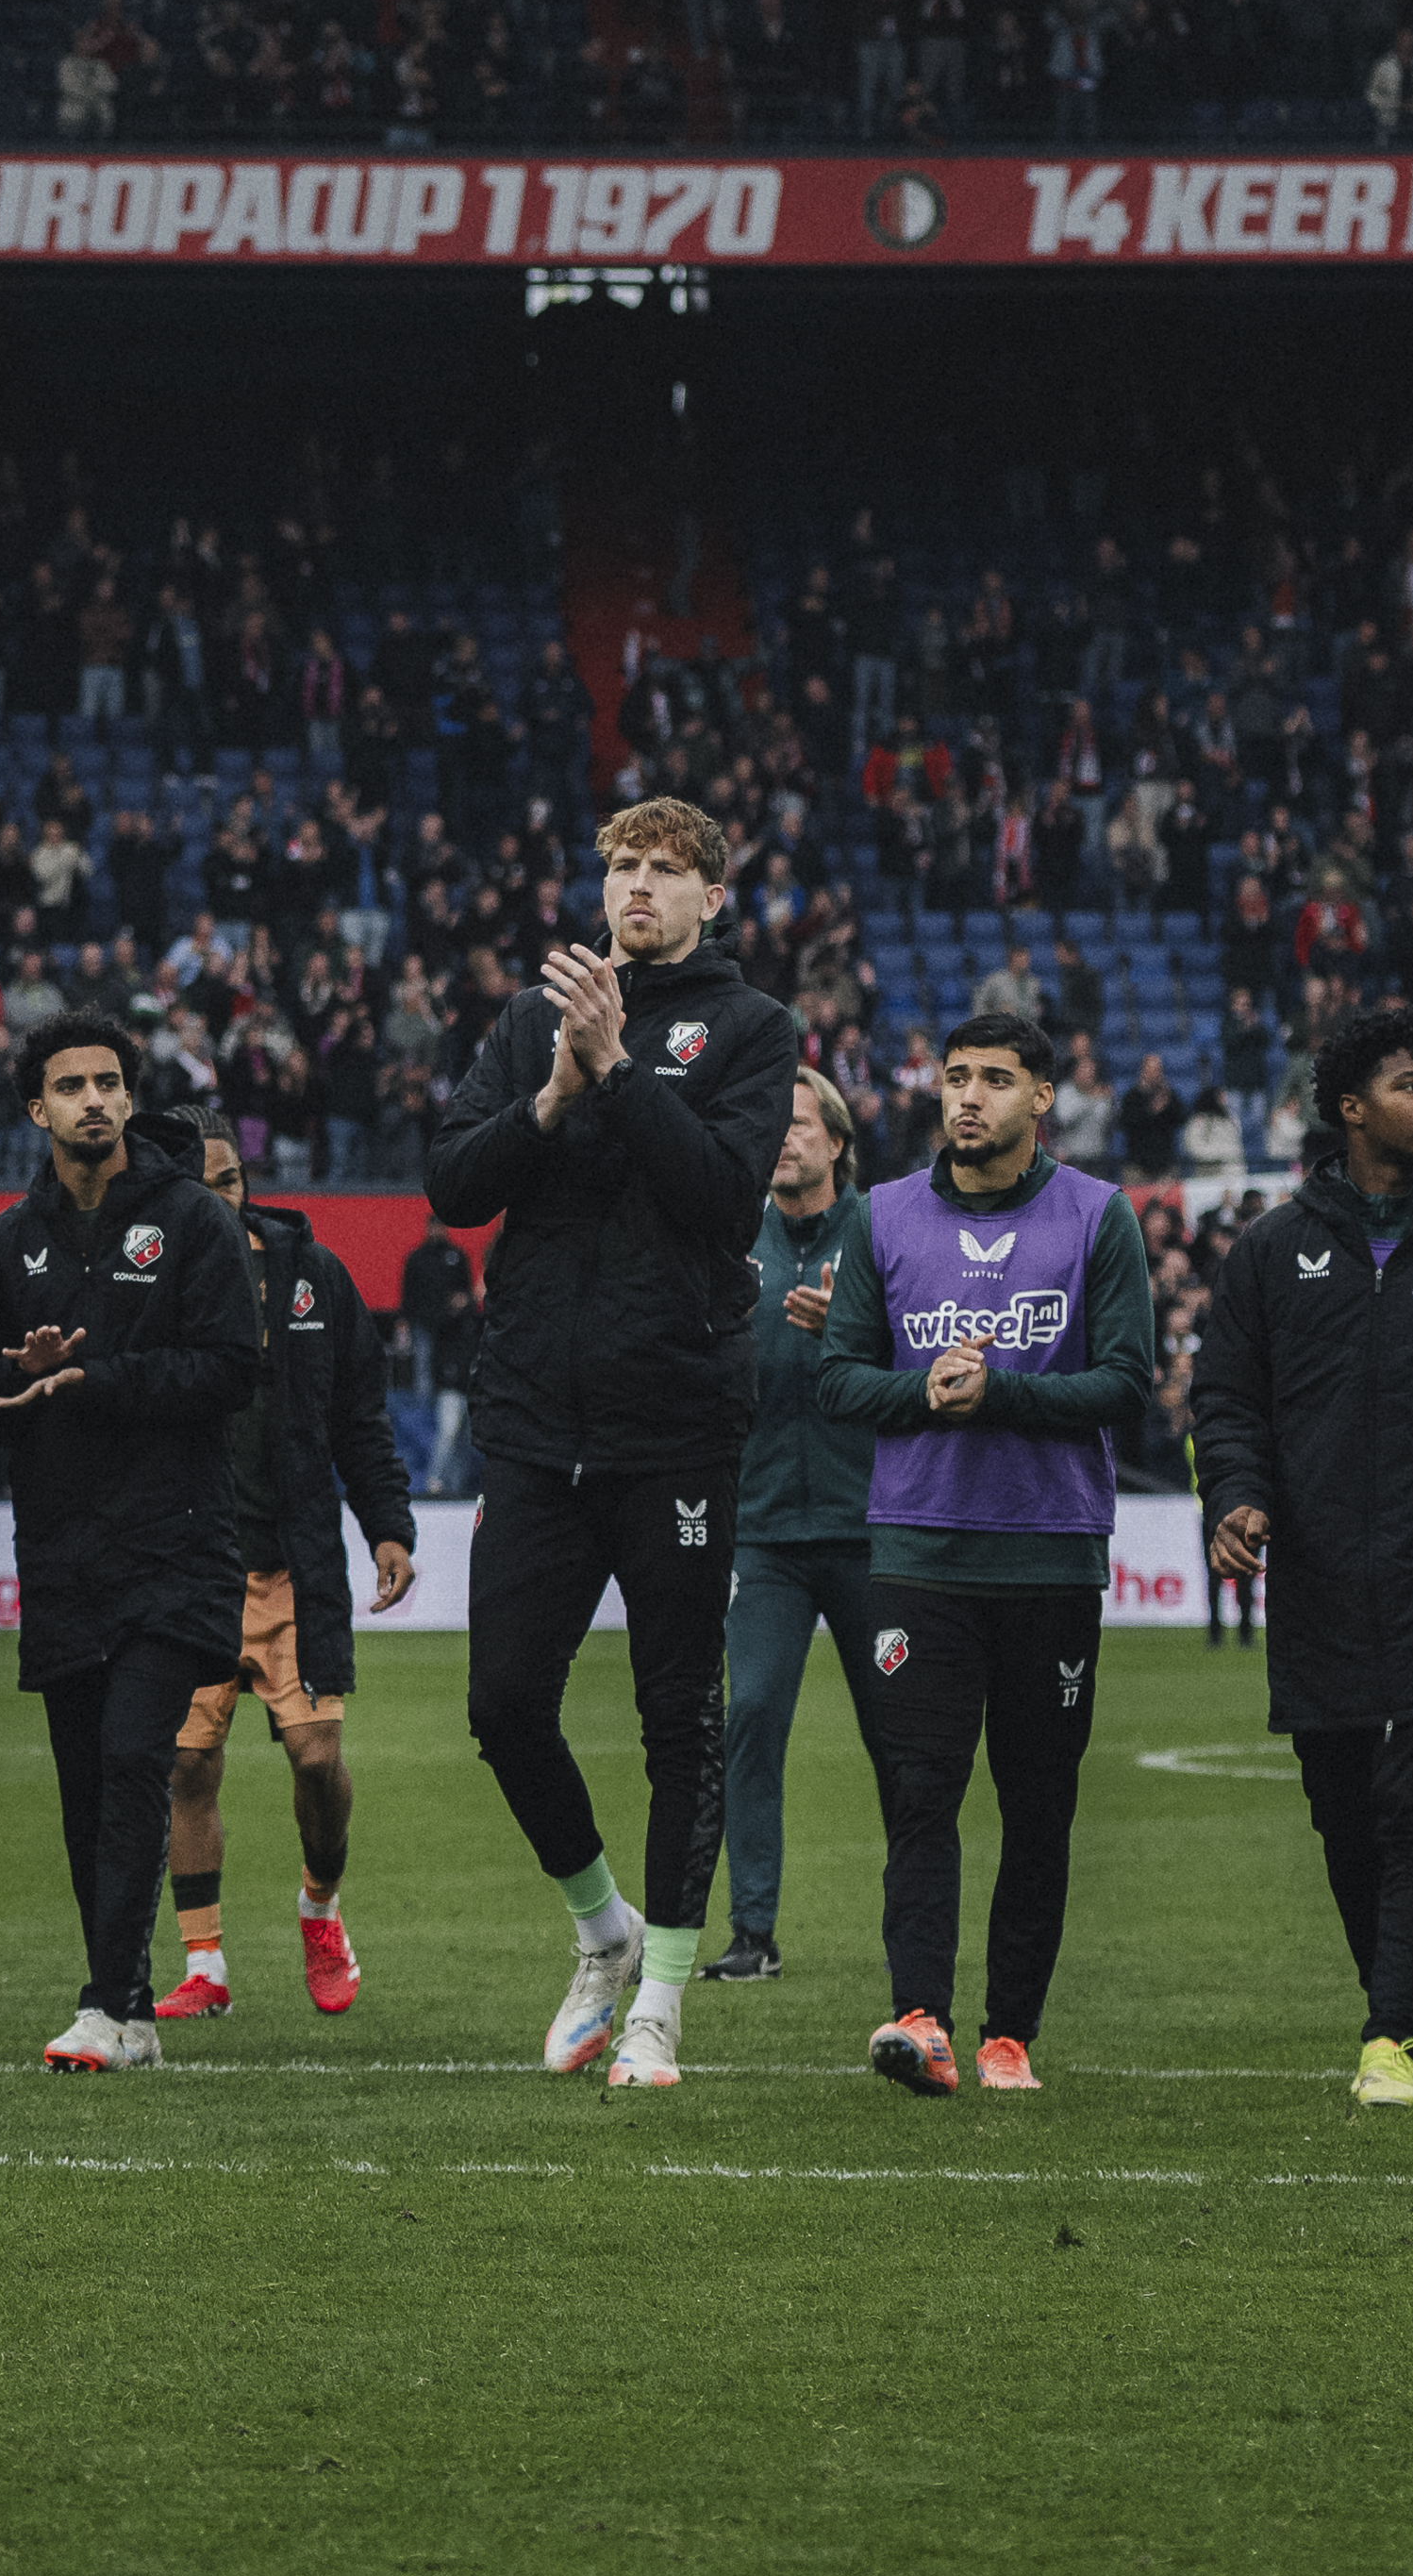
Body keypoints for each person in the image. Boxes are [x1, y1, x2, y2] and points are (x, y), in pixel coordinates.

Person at [422, 790, 798, 2089]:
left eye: (663, 869)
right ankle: (602, 1931)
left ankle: (662, 2005)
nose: (636, 886)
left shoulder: (754, 1028)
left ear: (711, 897)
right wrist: (552, 1088)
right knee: (501, 1702)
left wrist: (622, 1071)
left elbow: (716, 1197)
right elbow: (450, 1184)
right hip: (533, 1417)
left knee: (672, 1715)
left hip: (676, 1422)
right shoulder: (536, 1018)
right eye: (621, 865)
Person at [1186, 1004, 1413, 2102]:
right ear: (1351, 1109)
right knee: (1341, 1812)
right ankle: (1407, 1998)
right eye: (1411, 1083)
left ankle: (1389, 2035)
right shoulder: (1270, 1249)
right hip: (1322, 1585)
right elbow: (1225, 1398)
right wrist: (1241, 1498)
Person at [812, 1010, 1163, 2092]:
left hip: (1049, 1557)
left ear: (1041, 1098)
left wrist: (998, 1388)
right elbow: (835, 1379)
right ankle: (919, 2019)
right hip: (918, 1555)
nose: (967, 1096)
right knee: (920, 1793)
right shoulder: (880, 1217)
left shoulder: (1098, 1218)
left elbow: (1127, 1384)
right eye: (956, 1077)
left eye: (996, 1079)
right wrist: (925, 1386)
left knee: (1037, 1805)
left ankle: (1010, 2033)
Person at [0, 1020, 258, 2072]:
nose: (94, 1099)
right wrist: (19, 1376)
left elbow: (231, 1369)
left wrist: (98, 1377)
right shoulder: (8, 1242)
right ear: (36, 1110)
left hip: (178, 1549)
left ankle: (102, 2001)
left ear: (129, 1099)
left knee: (136, 1755)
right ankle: (129, 2011)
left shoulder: (189, 1222)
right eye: (70, 1086)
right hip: (62, 1552)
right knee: (89, 1783)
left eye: (109, 1083)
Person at [167, 1094, 416, 2020]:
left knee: (316, 1761)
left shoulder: (315, 1278)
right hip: (189, 1570)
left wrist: (387, 1527)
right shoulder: (154, 1284)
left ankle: (320, 1906)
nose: (221, 1203)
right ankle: (206, 1966)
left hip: (293, 1570)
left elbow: (360, 1419)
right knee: (187, 1769)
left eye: (230, 1182)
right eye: (202, 1189)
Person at [709, 1067, 885, 1984]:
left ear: (839, 1140)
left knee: (898, 1736)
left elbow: (930, 1365)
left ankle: (915, 1927)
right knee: (750, 1715)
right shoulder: (732, 1240)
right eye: (769, 1123)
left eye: (801, 1123)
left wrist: (849, 1334)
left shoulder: (884, 1235)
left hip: (874, 1533)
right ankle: (751, 1932)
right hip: (767, 1536)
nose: (784, 1137)